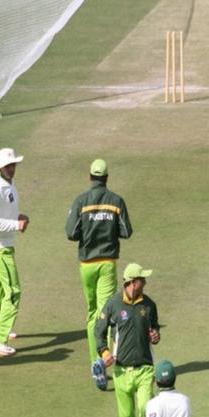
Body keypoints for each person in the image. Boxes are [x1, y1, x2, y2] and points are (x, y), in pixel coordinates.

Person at [65, 158, 133, 389]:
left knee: (93, 312)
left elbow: (71, 233)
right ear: (106, 178)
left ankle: (96, 360)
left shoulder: (81, 201)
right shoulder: (116, 201)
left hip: (86, 264)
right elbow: (126, 231)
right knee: (106, 314)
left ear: (90, 177)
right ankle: (102, 360)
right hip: (107, 263)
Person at [94, 263, 160, 417]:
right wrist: (105, 353)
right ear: (132, 282)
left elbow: (155, 329)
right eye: (142, 280)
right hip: (121, 371)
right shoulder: (113, 304)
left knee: (146, 410)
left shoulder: (149, 305)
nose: (145, 283)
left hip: (145, 369)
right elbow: (99, 330)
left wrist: (156, 336)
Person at [0, 147, 28, 357]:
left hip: (5, 245)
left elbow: (7, 212)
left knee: (3, 289)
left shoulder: (9, 184)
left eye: (13, 165)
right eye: (7, 166)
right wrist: (15, 225)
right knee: (14, 290)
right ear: (0, 167)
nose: (11, 169)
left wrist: (18, 216)